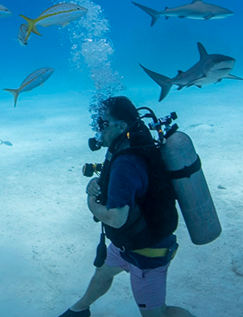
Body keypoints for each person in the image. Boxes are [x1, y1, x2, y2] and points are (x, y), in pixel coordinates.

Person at [59, 96, 193, 317]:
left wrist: (90, 202)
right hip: (127, 243)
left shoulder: (126, 161)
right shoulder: (130, 142)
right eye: (97, 122)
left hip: (147, 252)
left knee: (158, 314)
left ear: (121, 126)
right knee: (102, 274)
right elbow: (127, 184)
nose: (98, 129)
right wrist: (97, 183)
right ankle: (79, 310)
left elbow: (116, 218)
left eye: (103, 123)